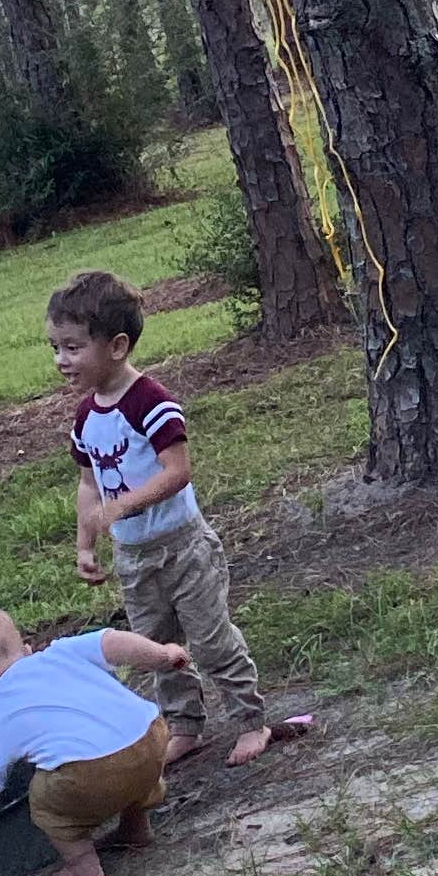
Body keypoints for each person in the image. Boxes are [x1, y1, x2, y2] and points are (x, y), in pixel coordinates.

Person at [46, 265, 280, 768]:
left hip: (183, 546)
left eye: (72, 347)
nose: (61, 360)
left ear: (117, 346)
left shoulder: (151, 403)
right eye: (55, 348)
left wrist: (124, 505)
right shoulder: (86, 417)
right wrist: (85, 544)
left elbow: (178, 471)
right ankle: (185, 725)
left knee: (211, 639)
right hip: (133, 556)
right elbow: (88, 484)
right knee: (154, 647)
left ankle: (250, 721)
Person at [0, 606, 188, 876]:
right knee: (129, 761)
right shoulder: (61, 651)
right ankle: (135, 828)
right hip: (151, 737)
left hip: (93, 770)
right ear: (26, 649)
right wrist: (163, 655)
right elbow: (113, 641)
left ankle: (83, 866)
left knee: (42, 797)